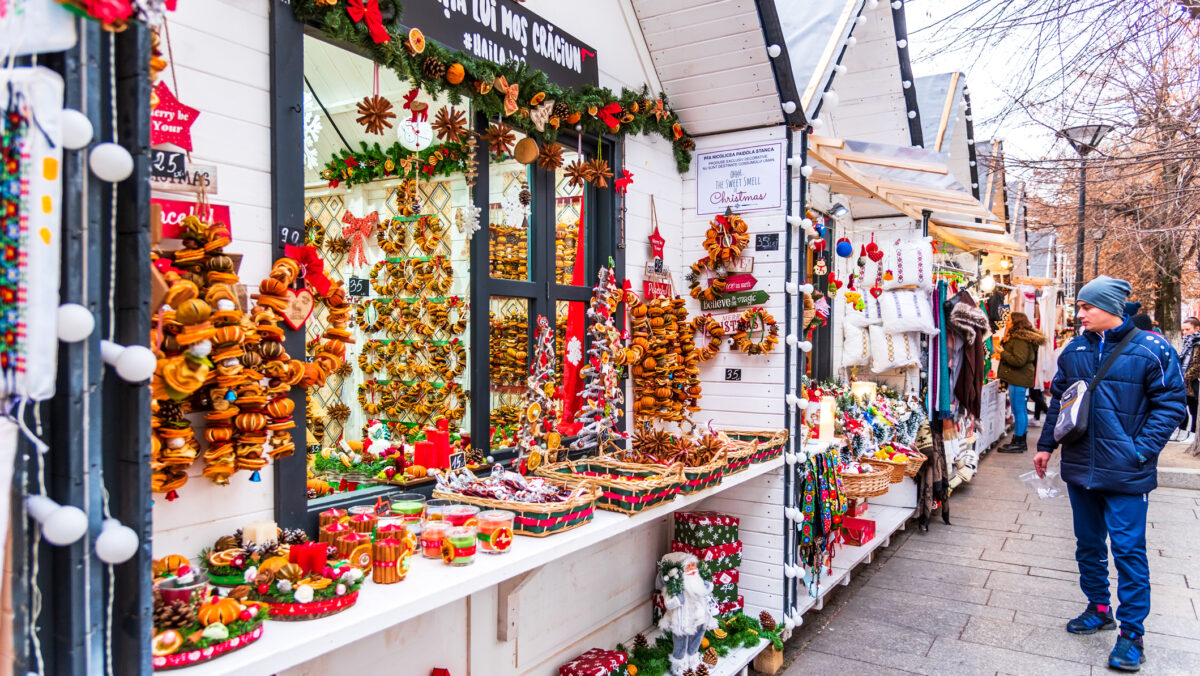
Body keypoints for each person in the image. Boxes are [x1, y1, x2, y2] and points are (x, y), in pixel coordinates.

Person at [1035, 276, 1187, 672]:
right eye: (1079, 306)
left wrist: (1140, 450)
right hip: (1080, 467)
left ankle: (1132, 635)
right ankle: (1099, 607)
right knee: (1087, 544)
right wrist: (1046, 445)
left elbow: (1171, 406)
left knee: (1128, 552)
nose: (1079, 313)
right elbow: (1060, 402)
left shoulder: (1153, 350)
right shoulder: (1074, 350)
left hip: (1126, 472)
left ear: (1110, 308)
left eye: (1087, 307)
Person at [996, 312, 1046, 452]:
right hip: (1020, 377)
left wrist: (1002, 353)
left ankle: (1018, 442)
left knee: (1018, 410)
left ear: (1016, 322)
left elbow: (1019, 360)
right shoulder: (1020, 337)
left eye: (1009, 320)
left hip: (1019, 377)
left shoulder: (1019, 339)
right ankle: (1019, 440)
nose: (1007, 322)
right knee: (1020, 409)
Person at [1176, 317, 1200, 443]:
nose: (1185, 332)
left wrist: (1184, 378)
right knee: (1181, 408)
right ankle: (1183, 431)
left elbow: (1196, 366)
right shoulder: (1187, 342)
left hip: (1193, 383)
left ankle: (1193, 434)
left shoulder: (1197, 343)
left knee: (1194, 409)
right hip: (1184, 381)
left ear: (1197, 329)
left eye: (1187, 329)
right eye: (1183, 330)